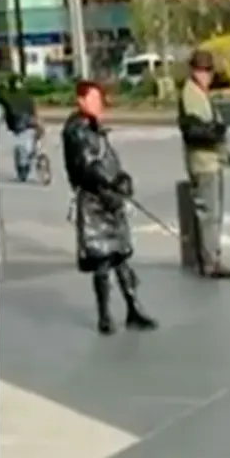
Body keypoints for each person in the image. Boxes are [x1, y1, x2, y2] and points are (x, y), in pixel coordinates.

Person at [62, 80, 157, 335]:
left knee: (121, 256)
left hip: (110, 200)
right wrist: (112, 180)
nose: (100, 103)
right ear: (81, 101)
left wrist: (122, 179)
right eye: (94, 98)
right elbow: (87, 166)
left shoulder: (94, 128)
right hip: (93, 203)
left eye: (100, 98)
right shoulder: (76, 130)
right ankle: (104, 316)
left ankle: (133, 309)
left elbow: (107, 160)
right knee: (102, 258)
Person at [178, 50, 230, 279]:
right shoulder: (191, 94)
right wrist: (216, 131)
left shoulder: (198, 92)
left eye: (209, 70)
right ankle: (210, 261)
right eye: (204, 70)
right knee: (209, 213)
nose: (208, 75)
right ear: (195, 70)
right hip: (204, 162)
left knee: (212, 212)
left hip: (211, 160)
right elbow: (193, 129)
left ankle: (211, 257)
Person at [3, 76, 40, 181]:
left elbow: (9, 114)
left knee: (22, 148)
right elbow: (34, 111)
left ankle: (23, 168)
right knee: (28, 147)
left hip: (20, 126)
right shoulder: (27, 97)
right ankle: (26, 166)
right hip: (29, 124)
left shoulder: (11, 97)